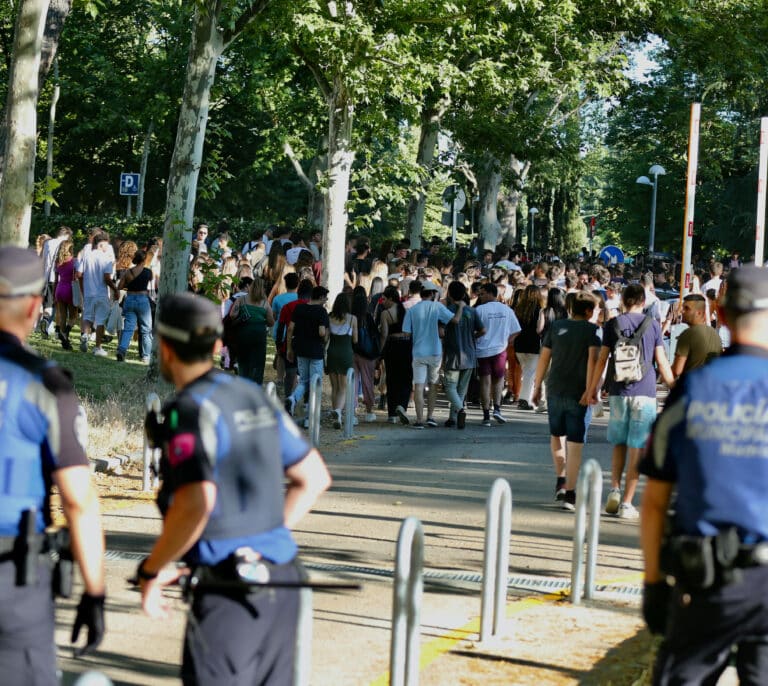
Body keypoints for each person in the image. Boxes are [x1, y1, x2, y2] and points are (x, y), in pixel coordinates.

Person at [139, 292, 331, 685]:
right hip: (282, 578)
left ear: (165, 347)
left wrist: (153, 567)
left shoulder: (186, 410)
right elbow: (313, 478)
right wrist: (263, 537)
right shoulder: (252, 395)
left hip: (228, 589)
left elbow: (196, 501)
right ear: (217, 345)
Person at [639, 265, 768, 684]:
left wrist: (654, 582)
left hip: (712, 581)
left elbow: (655, 500)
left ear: (722, 316)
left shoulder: (693, 391)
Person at [0, 246, 106, 683]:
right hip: (12, 577)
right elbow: (78, 500)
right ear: (34, 306)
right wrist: (94, 591)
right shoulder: (44, 383)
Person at [586, 284, 675, 519]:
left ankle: (614, 488)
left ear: (624, 300)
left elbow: (602, 359)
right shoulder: (653, 325)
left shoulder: (612, 324)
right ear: (644, 301)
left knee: (619, 443)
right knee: (637, 447)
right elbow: (662, 362)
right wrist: (675, 387)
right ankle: (627, 503)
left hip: (618, 391)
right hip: (645, 392)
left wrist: (593, 389)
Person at [532, 291, 600, 510]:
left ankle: (560, 480)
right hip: (579, 392)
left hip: (555, 389)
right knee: (576, 444)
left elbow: (544, 358)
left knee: (556, 436)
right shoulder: (592, 331)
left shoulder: (556, 327)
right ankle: (571, 492)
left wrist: (537, 387)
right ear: (589, 311)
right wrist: (590, 390)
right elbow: (593, 361)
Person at [401, 281, 462, 429]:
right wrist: (460, 307)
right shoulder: (437, 307)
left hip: (418, 352)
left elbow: (406, 333)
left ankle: (419, 420)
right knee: (433, 385)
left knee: (419, 386)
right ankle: (430, 417)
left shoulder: (412, 310)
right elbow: (455, 320)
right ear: (433, 293)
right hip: (435, 351)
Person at [475, 282, 521, 426]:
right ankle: (497, 409)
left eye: (482, 294)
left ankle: (486, 415)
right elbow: (517, 329)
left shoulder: (479, 310)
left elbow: (474, 330)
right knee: (498, 379)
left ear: (490, 293)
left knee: (485, 381)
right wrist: (506, 341)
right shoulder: (507, 310)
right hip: (500, 349)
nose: (480, 296)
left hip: (482, 349)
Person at [443, 281, 485, 429]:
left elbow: (442, 332)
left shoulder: (448, 310)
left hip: (453, 353)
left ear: (449, 293)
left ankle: (459, 412)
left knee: (449, 386)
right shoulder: (472, 311)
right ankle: (453, 417)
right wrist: (473, 337)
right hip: (469, 353)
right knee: (461, 389)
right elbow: (483, 330)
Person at [285, 286, 330, 421]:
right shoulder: (322, 312)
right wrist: (326, 337)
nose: (326, 300)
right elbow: (322, 332)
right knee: (315, 383)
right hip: (315, 350)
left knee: (304, 380)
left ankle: (293, 399)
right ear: (321, 297)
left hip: (300, 349)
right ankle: (310, 418)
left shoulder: (299, 308)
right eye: (325, 297)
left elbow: (290, 328)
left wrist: (289, 348)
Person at [231, 277, 275, 385]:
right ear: (263, 289)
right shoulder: (265, 304)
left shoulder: (241, 299)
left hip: (243, 334)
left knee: (243, 361)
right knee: (258, 363)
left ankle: (243, 384)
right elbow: (271, 322)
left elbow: (232, 315)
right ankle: (255, 387)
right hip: (259, 336)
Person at [116, 249, 154, 363]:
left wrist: (130, 287)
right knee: (146, 329)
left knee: (128, 328)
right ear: (145, 259)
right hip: (143, 300)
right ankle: (146, 356)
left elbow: (120, 287)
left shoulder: (128, 272)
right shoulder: (148, 272)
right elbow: (151, 281)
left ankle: (122, 350)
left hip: (130, 299)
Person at [670, 293, 722, 377]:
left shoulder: (687, 334)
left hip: (691, 386)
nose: (682, 311)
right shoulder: (715, 334)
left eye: (687, 308)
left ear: (699, 313)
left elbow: (677, 370)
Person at [326, 292, 357, 428]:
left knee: (334, 388)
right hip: (346, 353)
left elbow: (325, 338)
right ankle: (338, 412)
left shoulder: (329, 317)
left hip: (332, 352)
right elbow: (355, 340)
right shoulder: (352, 319)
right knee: (343, 388)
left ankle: (336, 415)